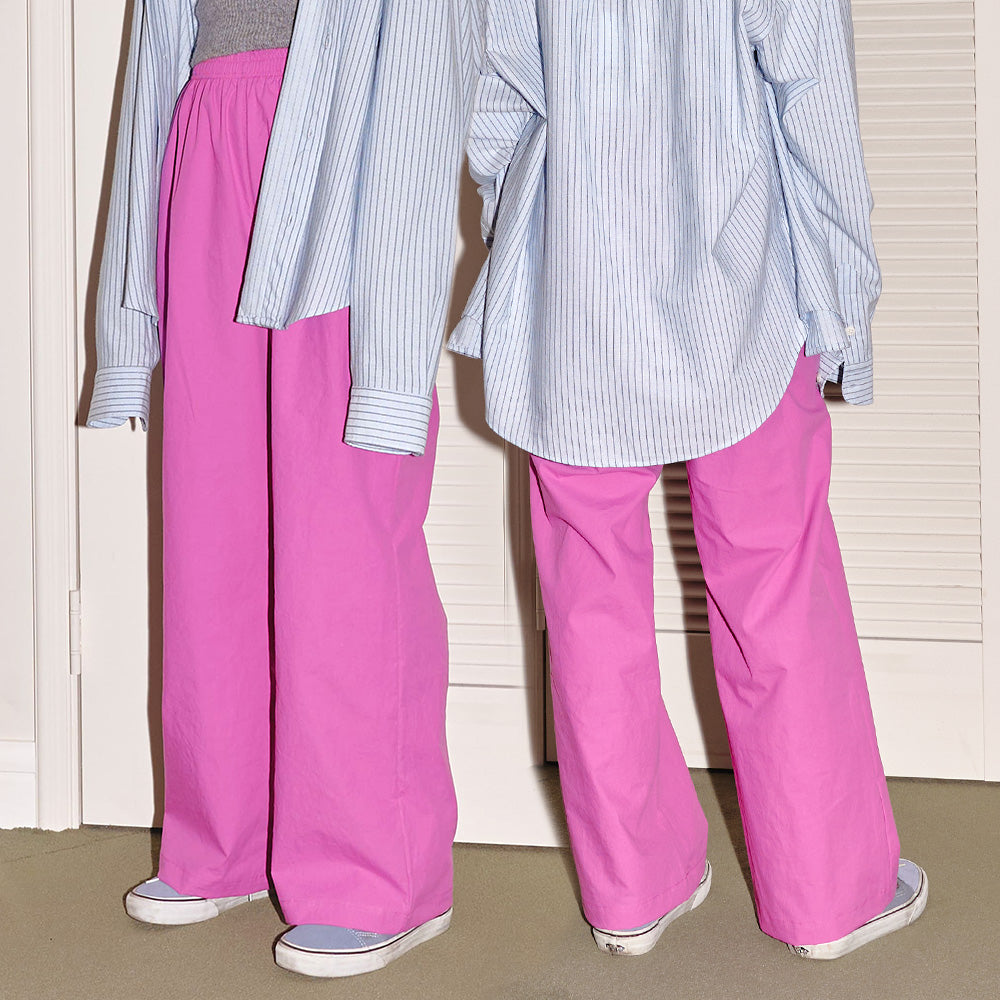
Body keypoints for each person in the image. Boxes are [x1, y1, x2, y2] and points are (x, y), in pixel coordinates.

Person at [355, 0, 928, 961]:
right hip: (740, 274)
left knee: (588, 598)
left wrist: (522, 229)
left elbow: (497, 96)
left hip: (573, 287)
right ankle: (830, 892)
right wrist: (844, 301)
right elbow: (815, 94)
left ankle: (630, 888)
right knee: (776, 575)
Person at [88, 0, 461, 978]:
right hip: (208, 158)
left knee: (341, 540)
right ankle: (227, 836)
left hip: (346, 163)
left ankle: (380, 872)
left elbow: (427, 78)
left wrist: (400, 312)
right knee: (213, 530)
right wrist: (129, 331)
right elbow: (153, 81)